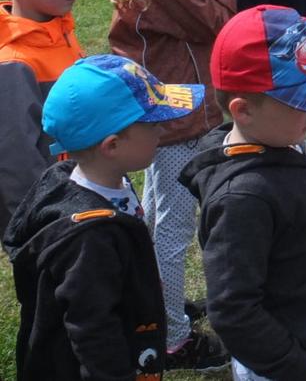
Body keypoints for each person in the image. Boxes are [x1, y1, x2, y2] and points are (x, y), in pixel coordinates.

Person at [181, 5, 306, 381]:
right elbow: (234, 310)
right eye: (304, 103)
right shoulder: (242, 200)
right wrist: (304, 371)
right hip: (287, 363)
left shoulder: (285, 142)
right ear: (244, 111)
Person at [106, 0, 237, 371]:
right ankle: (173, 338)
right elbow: (220, 22)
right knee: (172, 230)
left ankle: (160, 308)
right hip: (176, 122)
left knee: (162, 221)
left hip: (175, 118)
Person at [3, 54, 204, 381]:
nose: (163, 128)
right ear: (112, 145)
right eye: (153, 124)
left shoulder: (104, 180)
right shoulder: (90, 238)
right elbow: (93, 331)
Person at [0, 0, 109, 232]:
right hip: (54, 222)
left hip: (82, 198)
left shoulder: (58, 30)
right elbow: (16, 164)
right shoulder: (14, 64)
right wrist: (45, 229)